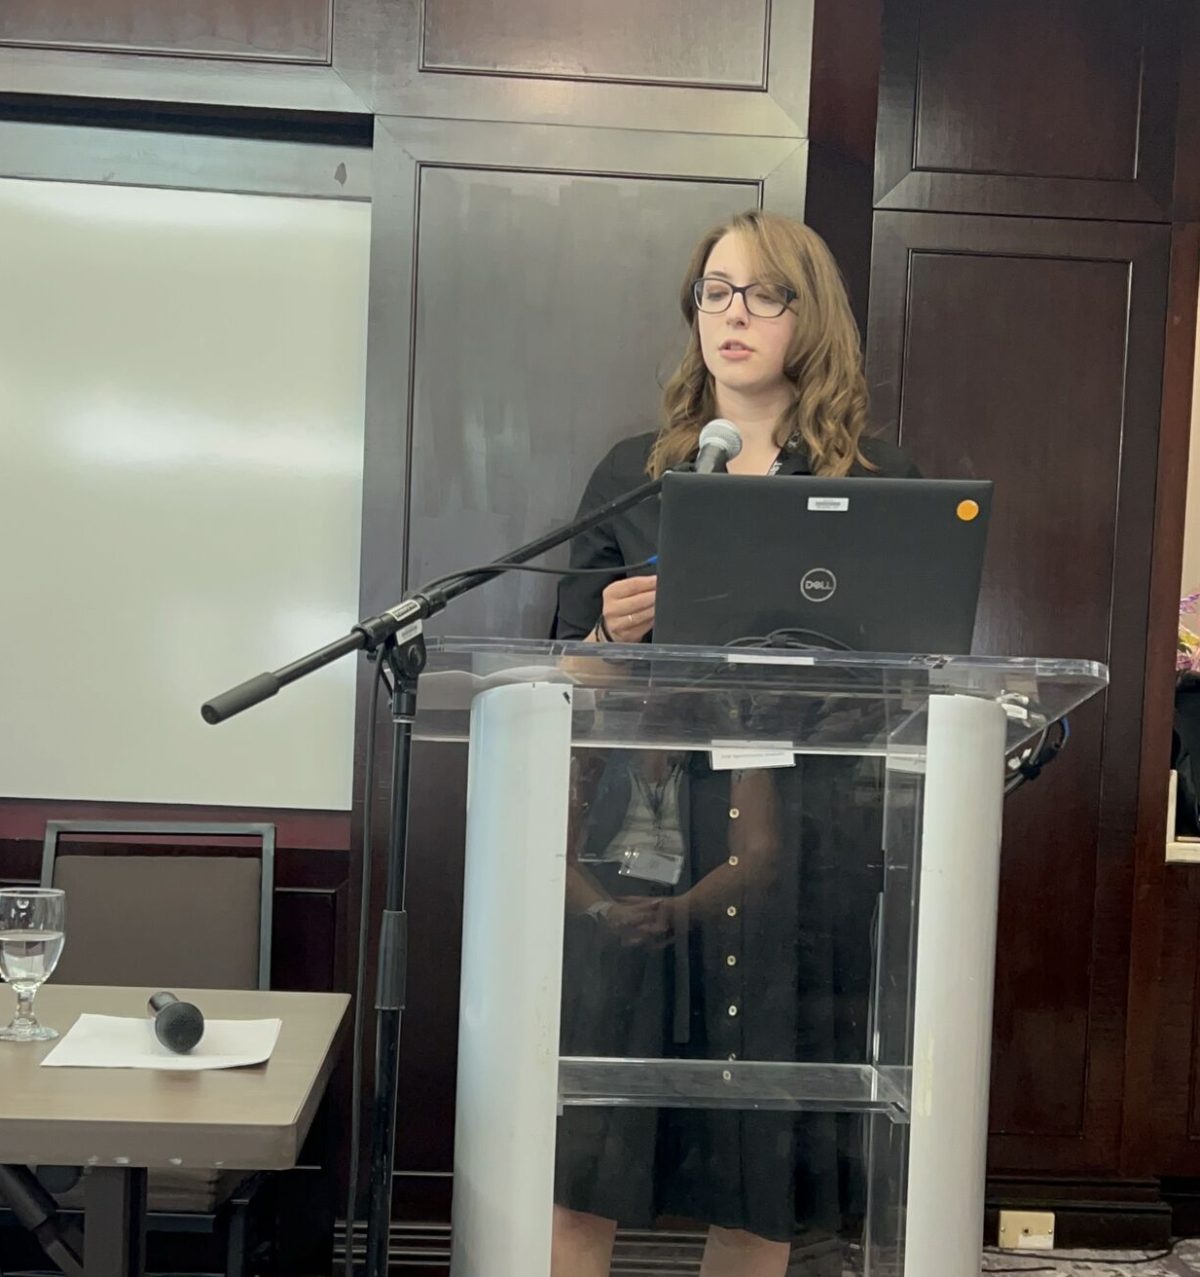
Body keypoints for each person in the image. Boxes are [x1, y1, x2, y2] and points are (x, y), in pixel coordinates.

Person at [552, 211, 920, 1277]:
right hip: (645, 843)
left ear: (811, 316)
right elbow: (563, 671)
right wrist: (606, 634)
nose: (734, 315)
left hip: (796, 857)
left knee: (762, 1180)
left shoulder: (877, 478)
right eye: (716, 292)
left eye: (764, 293)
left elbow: (908, 672)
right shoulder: (637, 472)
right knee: (590, 1156)